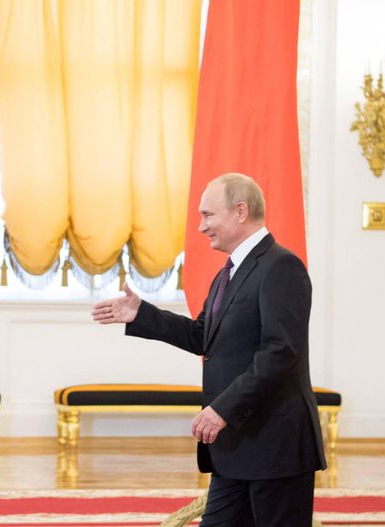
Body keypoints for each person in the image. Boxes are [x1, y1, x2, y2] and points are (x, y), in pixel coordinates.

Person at [92, 173, 325, 526]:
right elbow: (203, 336)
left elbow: (281, 351)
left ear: (241, 211)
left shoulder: (281, 266)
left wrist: (222, 409)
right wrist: (143, 314)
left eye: (208, 215)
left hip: (275, 446)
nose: (202, 227)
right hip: (234, 445)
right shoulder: (227, 273)